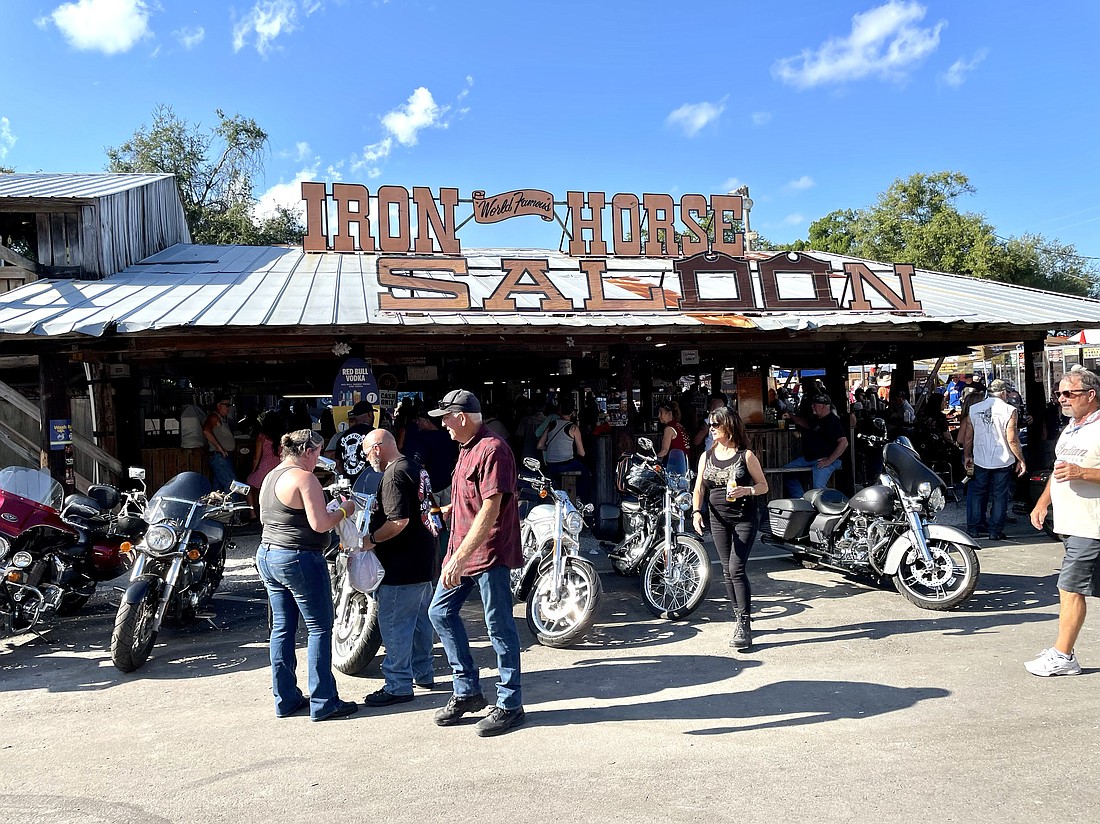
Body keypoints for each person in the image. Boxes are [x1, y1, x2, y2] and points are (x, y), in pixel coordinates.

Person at [427, 389, 526, 737]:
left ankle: (511, 704)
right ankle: (467, 690)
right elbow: (470, 501)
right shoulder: (467, 448)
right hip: (465, 549)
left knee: (499, 626)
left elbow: (490, 508)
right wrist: (444, 514)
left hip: (489, 552)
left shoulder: (493, 449)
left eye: (446, 418)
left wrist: (459, 557)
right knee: (439, 612)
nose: (444, 425)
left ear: (464, 416)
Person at [255, 429, 358, 721]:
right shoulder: (305, 478)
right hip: (298, 558)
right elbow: (321, 524)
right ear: (309, 452)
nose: (320, 460)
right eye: (319, 453)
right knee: (319, 628)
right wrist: (344, 510)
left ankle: (285, 699)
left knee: (283, 629)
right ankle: (324, 701)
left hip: (268, 554)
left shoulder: (272, 475)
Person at [1026, 367, 1100, 676]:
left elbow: (1075, 470)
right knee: (1072, 588)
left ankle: (1063, 655)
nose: (1061, 399)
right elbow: (1059, 469)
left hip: (1091, 525)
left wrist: (1082, 473)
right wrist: (1043, 502)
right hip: (1070, 524)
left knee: (1069, 589)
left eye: (1068, 393)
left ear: (1091, 395)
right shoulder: (1072, 427)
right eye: (1058, 394)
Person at [360, 429, 437, 706]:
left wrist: (370, 540)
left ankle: (398, 684)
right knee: (419, 621)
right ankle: (423, 672)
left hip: (401, 561)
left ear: (378, 448)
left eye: (367, 452)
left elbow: (397, 521)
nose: (367, 458)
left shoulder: (392, 475)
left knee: (394, 624)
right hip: (424, 555)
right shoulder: (416, 467)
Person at [691, 406, 768, 651]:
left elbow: (764, 485)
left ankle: (744, 624)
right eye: (710, 424)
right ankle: (739, 618)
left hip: (744, 518)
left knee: (736, 568)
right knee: (726, 570)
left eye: (716, 425)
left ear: (729, 426)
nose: (711, 429)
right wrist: (695, 512)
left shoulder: (745, 456)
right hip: (718, 519)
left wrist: (747, 490)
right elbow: (699, 488)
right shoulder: (707, 456)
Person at [958, 378, 1025, 540]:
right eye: (1007, 393)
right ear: (1003, 393)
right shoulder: (1009, 410)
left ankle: (973, 529)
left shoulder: (974, 409)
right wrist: (1020, 459)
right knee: (1000, 495)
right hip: (1003, 459)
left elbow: (967, 437)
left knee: (978, 493)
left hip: (980, 458)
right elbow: (1012, 438)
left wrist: (967, 455)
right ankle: (995, 531)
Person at [781, 394, 849, 497]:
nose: (812, 406)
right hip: (810, 458)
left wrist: (829, 460)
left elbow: (844, 443)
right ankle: (801, 500)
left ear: (824, 406)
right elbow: (805, 423)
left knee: (818, 488)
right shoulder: (816, 419)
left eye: (815, 404)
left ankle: (830, 506)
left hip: (827, 460)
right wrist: (791, 416)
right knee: (786, 471)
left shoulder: (833, 421)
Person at [537, 400, 592, 504]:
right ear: (572, 413)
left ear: (560, 411)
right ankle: (581, 501)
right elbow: (582, 453)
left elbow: (540, 445)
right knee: (586, 474)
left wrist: (551, 448)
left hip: (551, 464)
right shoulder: (574, 427)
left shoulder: (552, 424)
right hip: (566, 464)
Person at [245, 411, 285, 515]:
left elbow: (256, 458)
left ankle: (252, 514)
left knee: (248, 486)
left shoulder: (261, 437)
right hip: (278, 467)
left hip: (265, 467)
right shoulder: (283, 437)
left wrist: (252, 472)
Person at [331, 400, 376, 483]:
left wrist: (346, 480)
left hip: (351, 486)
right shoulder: (375, 434)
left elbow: (338, 464)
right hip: (371, 484)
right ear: (370, 414)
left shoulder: (342, 437)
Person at [203, 398, 239, 492]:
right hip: (220, 457)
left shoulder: (222, 419)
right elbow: (206, 431)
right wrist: (220, 449)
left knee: (217, 489)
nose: (229, 408)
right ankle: (233, 505)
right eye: (227, 405)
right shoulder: (214, 417)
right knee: (232, 486)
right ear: (219, 406)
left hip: (223, 456)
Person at [655, 400, 689, 475]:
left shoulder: (669, 429)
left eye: (661, 413)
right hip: (685, 465)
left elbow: (664, 451)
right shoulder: (679, 426)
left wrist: (654, 460)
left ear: (669, 413)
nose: (658, 416)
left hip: (675, 467)